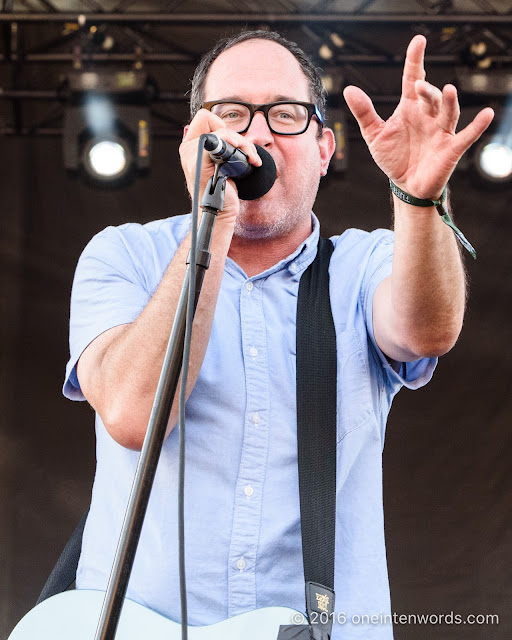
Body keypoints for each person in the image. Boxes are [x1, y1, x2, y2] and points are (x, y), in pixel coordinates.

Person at [63, 30, 493, 639]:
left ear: (324, 148)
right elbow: (136, 414)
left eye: (284, 115)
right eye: (231, 114)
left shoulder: (362, 266)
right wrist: (214, 216)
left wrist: (420, 198)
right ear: (193, 140)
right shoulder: (124, 256)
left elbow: (429, 331)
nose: (257, 135)